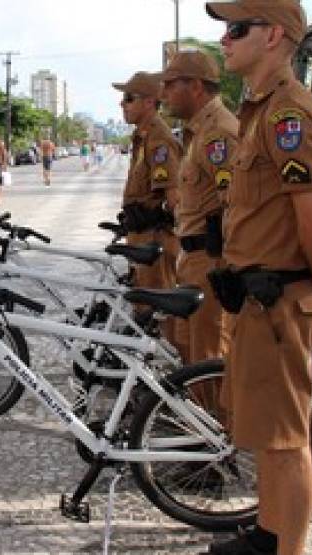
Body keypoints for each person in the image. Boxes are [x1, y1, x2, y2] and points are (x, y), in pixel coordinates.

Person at [203, 2, 312, 553]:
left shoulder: (290, 113)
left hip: (280, 303)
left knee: (288, 441)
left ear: (272, 36)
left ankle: (285, 548)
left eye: (235, 29)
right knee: (270, 436)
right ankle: (268, 535)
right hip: (259, 300)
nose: (224, 40)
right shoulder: (259, 110)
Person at [160, 50, 239, 374]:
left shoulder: (218, 132)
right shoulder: (198, 132)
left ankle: (218, 425)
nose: (163, 94)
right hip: (192, 258)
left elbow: (235, 202)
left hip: (210, 259)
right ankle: (200, 421)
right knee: (189, 349)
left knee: (207, 356)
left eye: (169, 85)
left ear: (194, 86)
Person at [113, 70, 183, 348]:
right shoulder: (142, 136)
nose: (123, 104)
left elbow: (175, 198)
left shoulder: (159, 139)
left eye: (130, 98)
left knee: (158, 309)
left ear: (150, 102)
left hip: (155, 238)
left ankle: (170, 375)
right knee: (143, 305)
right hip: (141, 235)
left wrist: (151, 214)